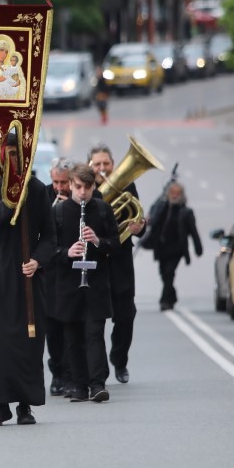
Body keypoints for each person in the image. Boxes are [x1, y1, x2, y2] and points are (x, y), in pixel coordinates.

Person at [0, 134, 57, 425]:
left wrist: (38, 260)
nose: (12, 160)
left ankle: (25, 405)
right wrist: (8, 202)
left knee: (28, 341)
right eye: (6, 154)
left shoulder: (35, 189)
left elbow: (49, 235)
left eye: (16, 154)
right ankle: (0, 405)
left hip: (27, 275)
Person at [52, 163, 119, 402]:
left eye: (87, 187)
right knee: (73, 338)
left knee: (94, 334)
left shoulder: (102, 210)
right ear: (70, 185)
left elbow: (116, 245)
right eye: (78, 187)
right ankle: (79, 385)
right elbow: (49, 249)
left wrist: (98, 241)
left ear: (93, 187)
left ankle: (97, 384)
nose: (82, 193)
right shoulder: (59, 212)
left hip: (96, 284)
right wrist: (66, 252)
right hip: (68, 285)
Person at [90, 143, 146, 385]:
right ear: (89, 166)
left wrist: (138, 228)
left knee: (126, 314)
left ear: (114, 165)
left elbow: (136, 217)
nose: (102, 168)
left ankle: (119, 359)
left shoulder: (127, 185)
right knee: (95, 318)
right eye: (97, 164)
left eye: (106, 164)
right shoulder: (85, 188)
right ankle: (98, 369)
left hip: (121, 260)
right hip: (95, 260)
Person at [149, 180, 203, 310]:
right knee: (163, 273)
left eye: (177, 193)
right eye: (172, 193)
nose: (174, 195)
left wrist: (198, 248)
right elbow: (152, 221)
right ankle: (172, 295)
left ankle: (165, 301)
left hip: (177, 249)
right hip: (161, 248)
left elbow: (193, 231)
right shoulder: (162, 208)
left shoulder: (186, 212)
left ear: (182, 195)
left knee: (169, 272)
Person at [45, 158, 73, 396]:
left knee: (72, 327)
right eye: (55, 182)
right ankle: (57, 373)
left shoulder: (80, 197)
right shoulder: (44, 195)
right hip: (50, 272)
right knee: (53, 328)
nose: (59, 188)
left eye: (64, 182)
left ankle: (72, 374)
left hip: (73, 272)